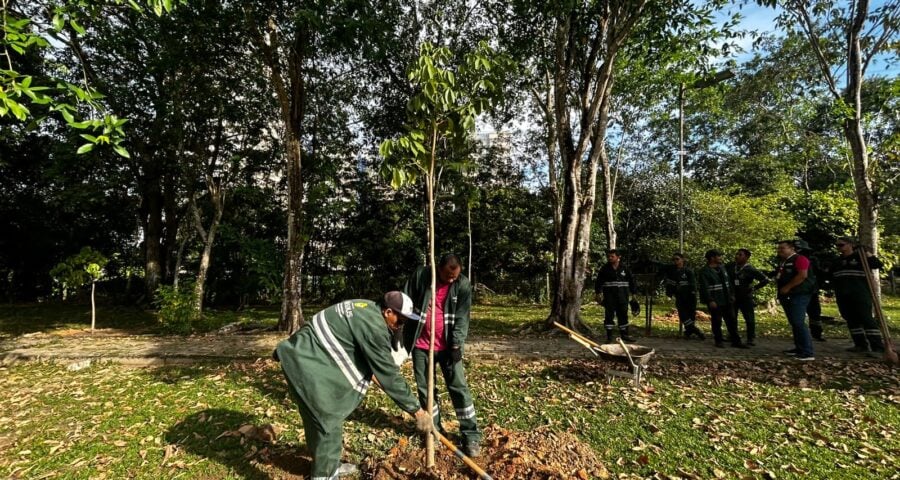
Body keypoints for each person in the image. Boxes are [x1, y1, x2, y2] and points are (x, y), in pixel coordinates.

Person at [273, 291, 433, 479]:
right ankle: (324, 475)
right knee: (328, 423)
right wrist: (417, 411)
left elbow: (360, 353)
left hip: (297, 355)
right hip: (308, 367)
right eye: (400, 321)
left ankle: (329, 466)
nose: (400, 327)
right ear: (388, 311)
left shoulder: (363, 305)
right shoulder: (374, 328)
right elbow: (389, 375)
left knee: (315, 421)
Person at [402, 253, 482, 457]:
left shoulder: (462, 285)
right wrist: (400, 330)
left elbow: (463, 317)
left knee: (459, 388)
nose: (452, 279)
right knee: (426, 390)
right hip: (421, 345)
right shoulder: (422, 276)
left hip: (447, 347)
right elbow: (405, 301)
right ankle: (434, 431)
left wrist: (456, 344)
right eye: (448, 275)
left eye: (455, 275)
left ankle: (470, 434)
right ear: (439, 268)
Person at [830, 237, 885, 353]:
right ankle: (860, 344)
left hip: (860, 294)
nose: (839, 248)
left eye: (841, 245)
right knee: (851, 319)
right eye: (837, 245)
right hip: (843, 295)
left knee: (866, 319)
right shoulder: (836, 261)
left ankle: (877, 346)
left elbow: (877, 264)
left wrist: (867, 253)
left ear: (850, 245)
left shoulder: (860, 258)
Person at [774, 240, 816, 361]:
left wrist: (788, 287)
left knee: (798, 322)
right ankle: (799, 347)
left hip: (799, 294)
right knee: (794, 322)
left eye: (783, 248)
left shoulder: (800, 259)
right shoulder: (784, 262)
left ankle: (807, 352)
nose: (780, 251)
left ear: (792, 248)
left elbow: (802, 275)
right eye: (779, 248)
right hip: (788, 296)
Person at [698, 249, 748, 349]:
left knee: (732, 321)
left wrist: (732, 294)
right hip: (716, 300)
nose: (721, 258)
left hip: (727, 299)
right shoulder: (704, 271)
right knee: (717, 321)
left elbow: (729, 282)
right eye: (719, 256)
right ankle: (718, 340)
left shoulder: (722, 268)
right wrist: (710, 300)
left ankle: (736, 341)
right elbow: (704, 287)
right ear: (712, 258)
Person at [595, 249, 640, 343]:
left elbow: (632, 281)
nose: (610, 258)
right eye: (609, 257)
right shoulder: (605, 269)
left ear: (618, 257)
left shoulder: (625, 268)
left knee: (623, 315)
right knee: (609, 316)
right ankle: (609, 337)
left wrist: (634, 294)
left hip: (623, 296)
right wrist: (598, 293)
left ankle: (624, 335)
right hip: (609, 297)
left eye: (612, 256)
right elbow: (599, 281)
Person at [726, 249, 769, 346]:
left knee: (749, 318)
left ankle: (751, 338)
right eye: (736, 254)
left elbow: (765, 280)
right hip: (733, 296)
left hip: (745, 297)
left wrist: (753, 288)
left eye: (740, 255)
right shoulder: (731, 266)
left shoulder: (751, 269)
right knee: (732, 317)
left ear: (746, 257)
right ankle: (733, 335)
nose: (737, 256)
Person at [663, 253, 705, 340]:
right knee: (682, 315)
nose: (675, 261)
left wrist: (693, 295)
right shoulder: (672, 272)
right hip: (679, 296)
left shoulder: (688, 271)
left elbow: (693, 285)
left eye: (677, 259)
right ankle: (696, 330)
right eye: (674, 259)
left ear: (682, 260)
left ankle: (688, 333)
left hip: (690, 296)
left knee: (691, 315)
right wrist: (669, 294)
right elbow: (670, 284)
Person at [794, 240, 826, 341]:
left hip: (811, 289)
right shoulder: (791, 260)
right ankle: (801, 334)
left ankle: (816, 333)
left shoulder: (812, 260)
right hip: (798, 289)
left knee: (815, 313)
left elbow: (819, 273)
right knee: (798, 314)